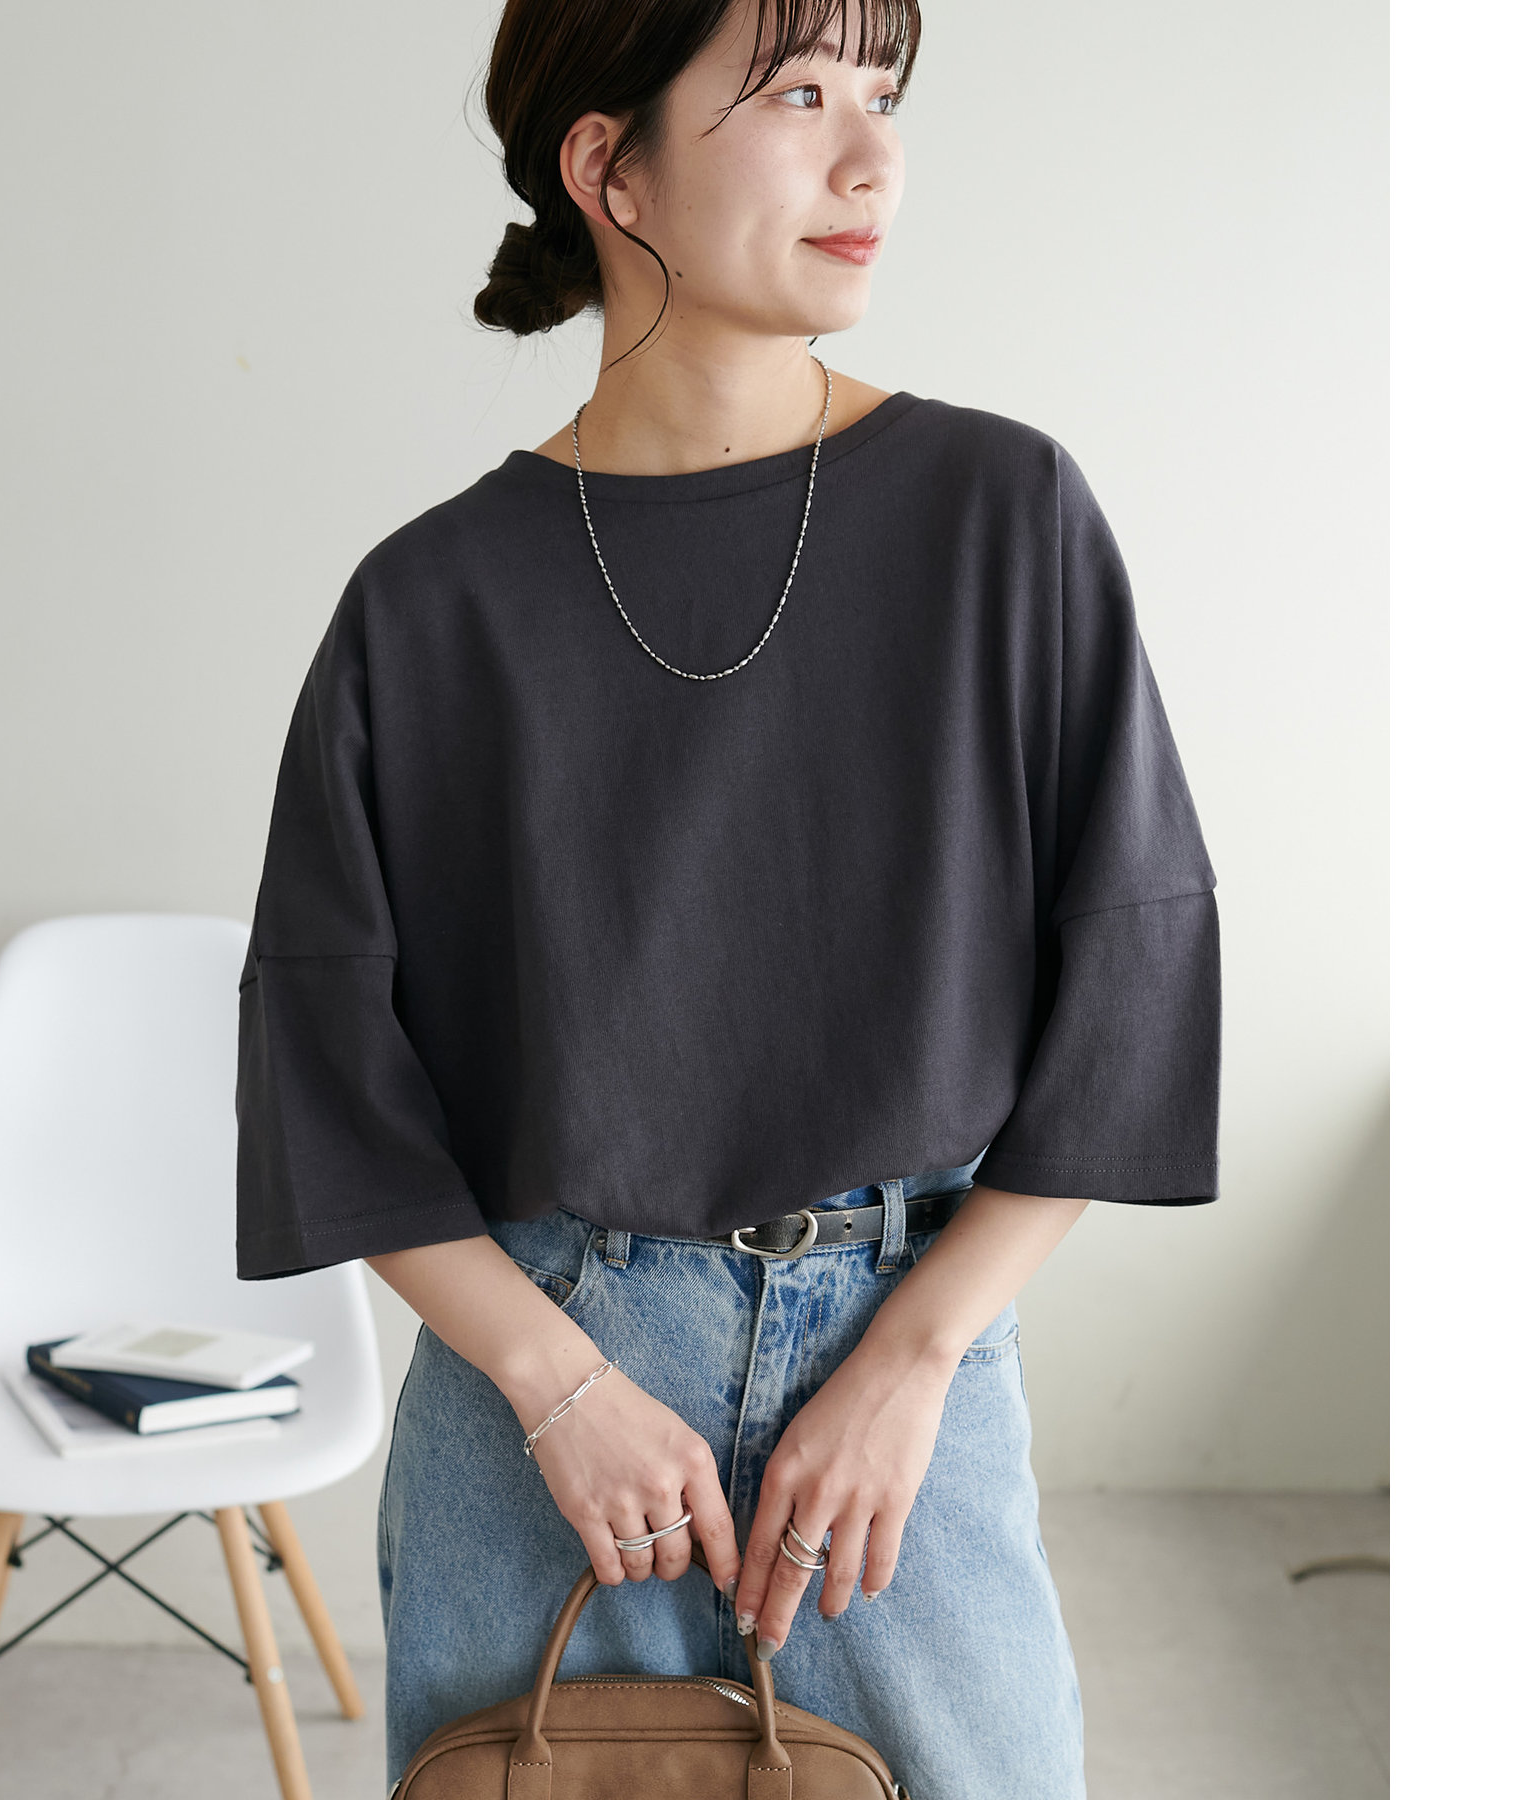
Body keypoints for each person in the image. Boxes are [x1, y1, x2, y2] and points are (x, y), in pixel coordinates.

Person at [234, 2, 1220, 1795]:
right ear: (608, 168)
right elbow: (329, 1074)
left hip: (907, 1379)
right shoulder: (429, 605)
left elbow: (1131, 979)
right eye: (799, 93)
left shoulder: (1002, 515)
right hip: (544, 1410)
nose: (872, 156)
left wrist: (914, 1361)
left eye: (885, 95)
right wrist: (558, 1386)